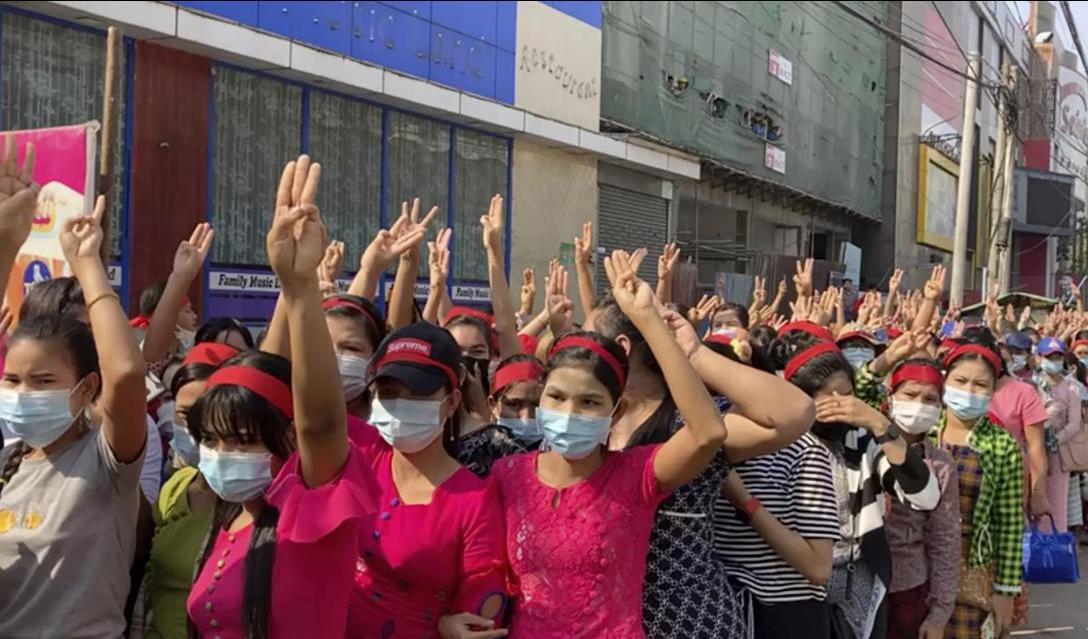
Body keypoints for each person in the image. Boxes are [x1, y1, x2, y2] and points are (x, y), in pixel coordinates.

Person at [492, 248, 733, 638]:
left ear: (615, 412)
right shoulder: (507, 476)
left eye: (589, 402)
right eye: (556, 398)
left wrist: (649, 321)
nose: (569, 412)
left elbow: (708, 432)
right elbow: (480, 570)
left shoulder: (635, 475)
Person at [186, 154, 380, 638]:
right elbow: (266, 379)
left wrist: (299, 287)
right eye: (213, 440)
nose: (223, 455)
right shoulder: (231, 514)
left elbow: (317, 421)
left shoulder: (309, 510)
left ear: (288, 440)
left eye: (245, 440)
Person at [585, 287, 814, 639]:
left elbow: (794, 412)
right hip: (604, 615)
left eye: (589, 340)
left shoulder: (690, 421)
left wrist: (692, 353)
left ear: (622, 348)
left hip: (687, 617)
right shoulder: (593, 421)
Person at [0, 192, 150, 638]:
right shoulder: (8, 466)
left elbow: (124, 373)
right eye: (12, 380)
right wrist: (6, 242)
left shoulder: (108, 461)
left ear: (86, 387)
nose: (24, 393)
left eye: (44, 381)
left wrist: (87, 265)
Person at [769, 331, 939, 639]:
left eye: (846, 394)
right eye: (825, 396)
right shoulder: (779, 444)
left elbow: (925, 496)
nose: (838, 405)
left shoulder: (861, 441)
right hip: (793, 584)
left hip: (856, 579)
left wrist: (880, 425)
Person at [350, 322, 509, 637]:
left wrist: (453, 627)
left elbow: (484, 592)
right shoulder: (361, 453)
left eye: (419, 394)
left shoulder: (474, 500)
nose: (401, 405)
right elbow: (304, 406)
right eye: (390, 393)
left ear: (450, 402)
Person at [855, 353, 961, 639]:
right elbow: (853, 390)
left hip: (908, 589)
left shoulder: (939, 463)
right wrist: (887, 357)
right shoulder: (863, 442)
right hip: (858, 583)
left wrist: (939, 614)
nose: (919, 405)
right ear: (891, 397)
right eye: (910, 394)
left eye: (930, 400)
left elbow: (945, 540)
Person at [139, 342, 237, 639]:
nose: (195, 428)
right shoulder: (176, 486)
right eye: (185, 414)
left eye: (208, 415)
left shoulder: (254, 499)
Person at [938, 338, 1024, 638]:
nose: (969, 391)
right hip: (919, 566)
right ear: (944, 379)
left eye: (980, 385)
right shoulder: (922, 430)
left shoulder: (1001, 444)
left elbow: (1010, 524)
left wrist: (1005, 590)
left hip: (973, 569)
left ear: (993, 390)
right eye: (960, 381)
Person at [457, 354, 543, 477]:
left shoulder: (562, 454)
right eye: (513, 405)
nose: (527, 417)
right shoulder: (474, 453)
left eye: (537, 405)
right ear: (493, 405)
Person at [1034, 337, 1081, 533]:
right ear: (1039, 358)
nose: (1053, 360)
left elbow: (1074, 423)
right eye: (1049, 356)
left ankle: (1056, 553)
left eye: (1057, 357)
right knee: (1033, 501)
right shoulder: (1032, 384)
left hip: (1058, 456)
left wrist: (1055, 439)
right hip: (1032, 451)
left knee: (1057, 505)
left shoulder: (1072, 388)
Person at [322, 294, 386, 418]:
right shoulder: (285, 419)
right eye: (321, 346)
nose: (333, 358)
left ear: (375, 357)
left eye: (350, 348)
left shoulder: (386, 425)